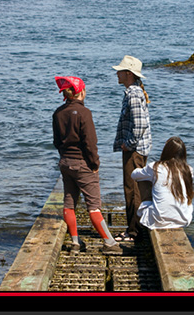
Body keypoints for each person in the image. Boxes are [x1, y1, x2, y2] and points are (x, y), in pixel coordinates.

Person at [53, 76, 122, 254]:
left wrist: (65, 157)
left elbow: (56, 141)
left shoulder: (58, 113)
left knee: (69, 202)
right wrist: (94, 163)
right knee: (94, 205)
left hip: (65, 162)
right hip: (83, 164)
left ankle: (75, 242)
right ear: (81, 92)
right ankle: (109, 243)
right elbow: (90, 142)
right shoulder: (85, 113)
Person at [112, 55, 152, 242]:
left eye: (120, 71)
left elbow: (140, 125)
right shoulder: (134, 92)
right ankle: (136, 228)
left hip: (134, 150)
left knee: (132, 189)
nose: (117, 74)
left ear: (128, 73)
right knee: (136, 188)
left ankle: (134, 231)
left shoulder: (133, 94)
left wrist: (128, 144)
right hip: (137, 148)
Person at [131, 137, 194, 229]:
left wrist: (149, 175)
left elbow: (134, 175)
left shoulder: (156, 167)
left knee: (143, 179)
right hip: (183, 219)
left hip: (160, 220)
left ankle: (138, 220)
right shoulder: (189, 170)